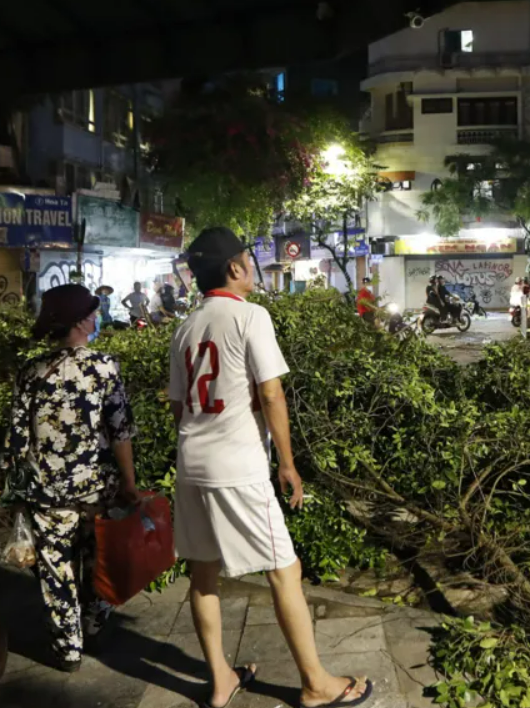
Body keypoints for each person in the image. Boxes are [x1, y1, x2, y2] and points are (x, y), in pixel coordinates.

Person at [168, 227, 374, 708]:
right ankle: (316, 683)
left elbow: (178, 407)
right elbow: (271, 393)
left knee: (203, 573)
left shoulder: (185, 328)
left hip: (191, 463)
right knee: (285, 568)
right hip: (237, 467)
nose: (252, 267)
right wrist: (287, 461)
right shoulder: (250, 316)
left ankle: (221, 679)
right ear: (235, 268)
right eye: (247, 259)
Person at [2, 284, 141, 672]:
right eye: (92, 314)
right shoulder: (104, 367)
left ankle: (67, 648)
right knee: (100, 558)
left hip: (48, 494)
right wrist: (129, 483)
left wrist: (12, 488)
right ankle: (95, 623)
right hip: (97, 489)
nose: (97, 319)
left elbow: (16, 439)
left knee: (55, 569)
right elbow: (121, 432)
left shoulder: (31, 372)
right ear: (80, 322)